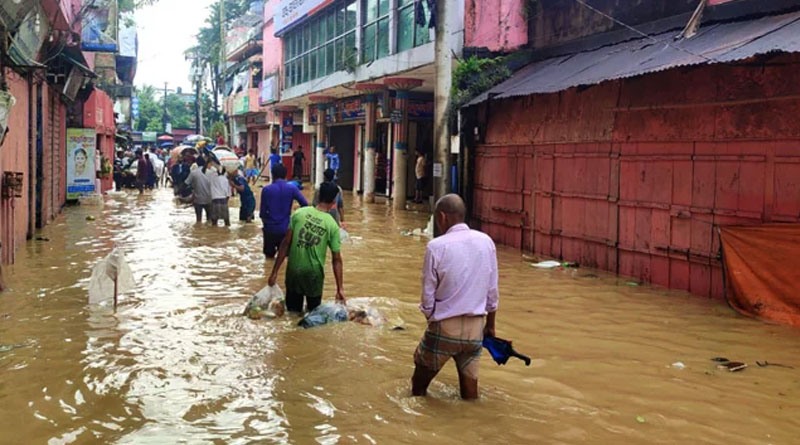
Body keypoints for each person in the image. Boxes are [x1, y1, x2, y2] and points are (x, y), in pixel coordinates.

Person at [411, 194, 499, 400]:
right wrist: (490, 326)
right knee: (470, 397)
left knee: (417, 390)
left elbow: (427, 296)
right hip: (475, 330)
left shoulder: (436, 247)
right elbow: (492, 292)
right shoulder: (486, 242)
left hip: (444, 327)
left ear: (442, 217)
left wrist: (432, 320)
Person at [267, 181, 345, 313]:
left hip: (293, 272)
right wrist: (340, 289)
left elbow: (285, 244)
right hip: (313, 276)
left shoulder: (299, 213)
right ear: (334, 202)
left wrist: (274, 272)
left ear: (318, 197)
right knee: (312, 316)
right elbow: (336, 259)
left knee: (292, 314)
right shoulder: (332, 225)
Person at [260, 164, 308, 258]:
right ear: (286, 175)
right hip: (286, 229)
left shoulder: (266, 190)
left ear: (272, 175)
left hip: (270, 229)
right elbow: (305, 205)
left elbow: (262, 213)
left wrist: (266, 226)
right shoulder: (292, 188)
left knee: (269, 260)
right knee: (286, 258)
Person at [185, 157, 214, 223]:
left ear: (197, 163)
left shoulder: (193, 173)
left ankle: (199, 230)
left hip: (198, 200)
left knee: (198, 220)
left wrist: (179, 191)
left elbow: (186, 183)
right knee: (209, 219)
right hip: (209, 199)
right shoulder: (211, 173)